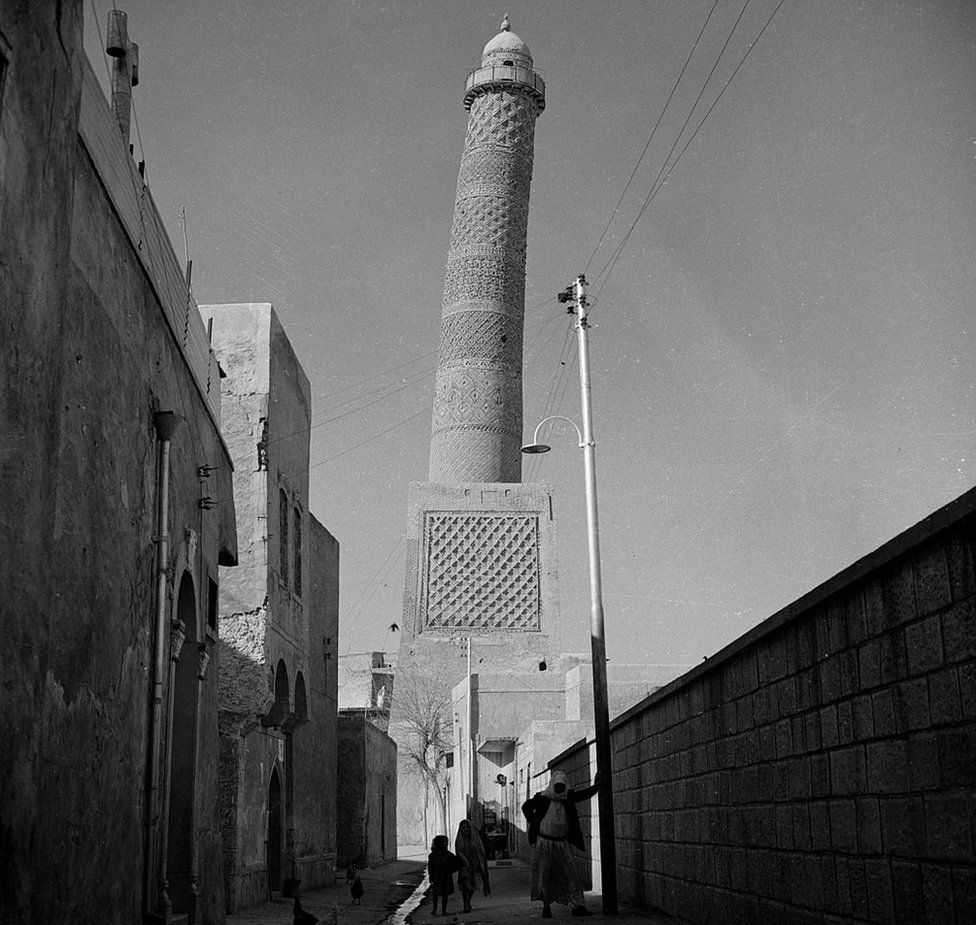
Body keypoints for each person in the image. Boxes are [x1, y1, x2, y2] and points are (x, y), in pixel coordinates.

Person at [521, 770, 603, 918]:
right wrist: (535, 822)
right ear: (553, 785)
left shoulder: (568, 798)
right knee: (545, 876)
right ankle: (546, 907)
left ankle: (578, 906)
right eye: (557, 786)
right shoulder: (543, 798)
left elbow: (582, 795)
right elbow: (526, 807)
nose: (559, 789)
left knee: (572, 874)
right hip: (545, 843)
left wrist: (596, 786)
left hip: (561, 844)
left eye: (562, 786)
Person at [454, 819, 491, 912]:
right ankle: (465, 904)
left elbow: (480, 851)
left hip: (475, 866)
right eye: (463, 828)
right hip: (465, 867)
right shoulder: (459, 840)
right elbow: (459, 852)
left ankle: (468, 901)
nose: (466, 830)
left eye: (467, 828)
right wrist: (465, 861)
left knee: (473, 886)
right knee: (466, 886)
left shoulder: (475, 839)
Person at [427, 834, 464, 917]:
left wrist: (451, 870)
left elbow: (458, 862)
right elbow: (430, 868)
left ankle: (443, 910)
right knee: (436, 895)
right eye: (445, 843)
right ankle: (434, 908)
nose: (447, 844)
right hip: (437, 877)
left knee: (445, 895)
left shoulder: (448, 854)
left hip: (446, 876)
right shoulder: (433, 856)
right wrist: (431, 877)